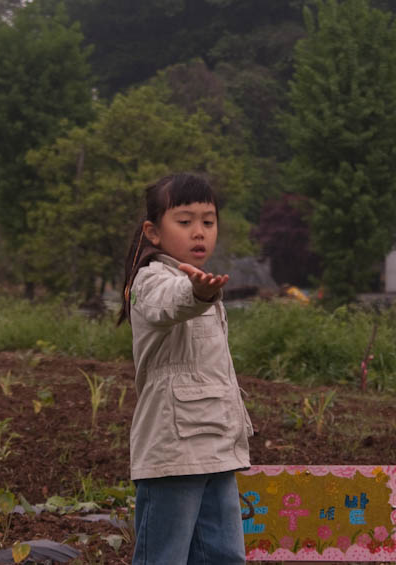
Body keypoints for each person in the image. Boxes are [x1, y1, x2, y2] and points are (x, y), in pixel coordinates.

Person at [118, 173, 254, 565]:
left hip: (217, 445)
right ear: (153, 232)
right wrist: (198, 292)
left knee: (225, 554)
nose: (199, 232)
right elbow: (171, 303)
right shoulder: (152, 280)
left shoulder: (200, 283)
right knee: (164, 556)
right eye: (185, 221)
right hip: (173, 447)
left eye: (208, 222)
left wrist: (201, 290)